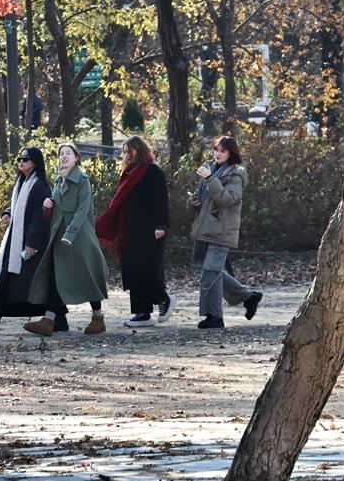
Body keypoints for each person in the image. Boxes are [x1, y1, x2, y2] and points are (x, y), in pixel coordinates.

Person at [26, 142, 109, 336]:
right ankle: (48, 320)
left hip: (79, 238)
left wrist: (70, 235)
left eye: (68, 153)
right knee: (56, 277)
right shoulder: (57, 180)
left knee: (87, 276)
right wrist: (46, 207)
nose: (64, 157)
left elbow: (82, 211)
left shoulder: (82, 180)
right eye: (61, 154)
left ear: (76, 158)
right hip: (58, 238)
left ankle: (98, 318)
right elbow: (52, 215)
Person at [0, 147, 53, 333]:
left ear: (35, 162)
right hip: (15, 243)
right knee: (11, 284)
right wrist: (7, 213)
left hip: (30, 247)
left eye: (26, 159)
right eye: (19, 158)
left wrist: (31, 243)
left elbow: (40, 218)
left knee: (23, 287)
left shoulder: (40, 186)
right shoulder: (22, 182)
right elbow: (17, 207)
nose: (21, 161)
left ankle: (56, 316)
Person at [95, 136, 174, 328]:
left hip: (149, 230)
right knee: (131, 270)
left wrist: (161, 225)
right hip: (130, 230)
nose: (126, 155)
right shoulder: (129, 172)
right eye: (124, 151)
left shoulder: (152, 171)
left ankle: (164, 299)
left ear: (139, 149)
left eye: (129, 150)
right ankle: (142, 312)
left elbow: (160, 200)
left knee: (145, 269)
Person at [189, 135, 262, 329]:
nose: (218, 154)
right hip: (206, 230)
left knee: (209, 273)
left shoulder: (236, 174)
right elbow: (206, 198)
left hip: (222, 232)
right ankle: (248, 297)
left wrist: (210, 178)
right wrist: (194, 201)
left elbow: (227, 200)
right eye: (216, 149)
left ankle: (215, 317)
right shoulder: (209, 168)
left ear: (231, 153)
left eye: (223, 151)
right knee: (213, 272)